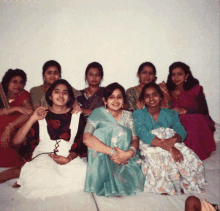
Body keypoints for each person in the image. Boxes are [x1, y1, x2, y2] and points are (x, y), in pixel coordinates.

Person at [11, 79, 87, 200]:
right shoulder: (41, 114)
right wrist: (33, 118)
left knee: (83, 172)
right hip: (43, 158)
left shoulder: (77, 115)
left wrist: (68, 159)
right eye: (57, 92)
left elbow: (80, 144)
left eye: (65, 92)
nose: (61, 95)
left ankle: (26, 178)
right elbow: (15, 142)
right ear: (50, 96)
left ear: (69, 97)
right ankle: (26, 176)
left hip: (68, 157)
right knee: (41, 174)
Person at [133, 83, 206, 195]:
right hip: (150, 144)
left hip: (170, 140)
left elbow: (181, 131)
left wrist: (173, 141)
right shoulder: (138, 114)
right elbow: (143, 133)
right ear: (143, 99)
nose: (151, 98)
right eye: (147, 96)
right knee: (161, 157)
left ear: (161, 97)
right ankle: (165, 186)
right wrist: (170, 148)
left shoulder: (171, 113)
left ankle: (185, 182)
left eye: (154, 95)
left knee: (187, 155)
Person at [83, 83, 145, 197]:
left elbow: (135, 139)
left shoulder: (128, 116)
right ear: (105, 100)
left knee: (125, 133)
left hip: (125, 158)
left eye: (119, 97)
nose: (115, 100)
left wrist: (128, 154)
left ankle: (120, 174)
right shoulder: (97, 114)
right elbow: (86, 138)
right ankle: (108, 177)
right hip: (104, 156)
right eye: (111, 97)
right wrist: (114, 153)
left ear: (123, 100)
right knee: (97, 133)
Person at [166, 62, 216, 160]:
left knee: (190, 121)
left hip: (196, 118)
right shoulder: (167, 91)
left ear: (186, 75)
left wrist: (185, 110)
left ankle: (191, 156)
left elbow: (204, 110)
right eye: (173, 74)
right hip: (175, 119)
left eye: (180, 74)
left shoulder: (196, 89)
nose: (176, 77)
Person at [0, 69, 33, 169]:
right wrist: (14, 109)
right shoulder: (0, 94)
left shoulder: (23, 94)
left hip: (13, 128)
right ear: (7, 82)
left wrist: (9, 127)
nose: (18, 85)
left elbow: (29, 111)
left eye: (21, 82)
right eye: (14, 81)